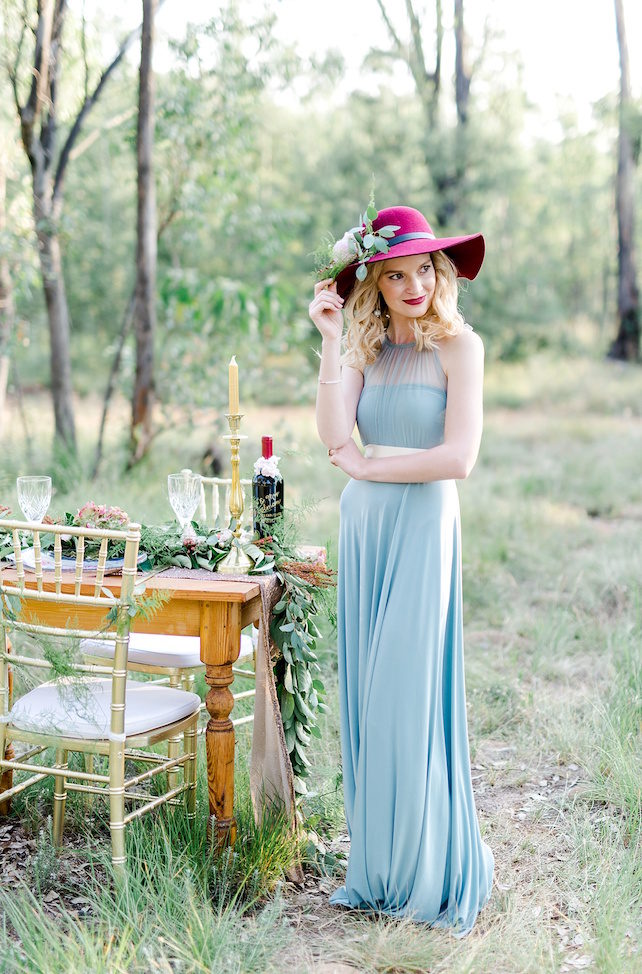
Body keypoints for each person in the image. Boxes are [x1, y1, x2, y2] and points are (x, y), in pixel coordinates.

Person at [309, 204, 494, 936]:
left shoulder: (461, 347)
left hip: (422, 524)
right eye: (395, 274)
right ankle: (379, 870)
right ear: (374, 285)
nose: (414, 284)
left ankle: (424, 868)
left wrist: (371, 469)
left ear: (440, 273)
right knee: (368, 696)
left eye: (423, 269)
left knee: (406, 695)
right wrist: (330, 341)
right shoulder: (366, 346)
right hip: (367, 530)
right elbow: (332, 435)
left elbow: (460, 459)